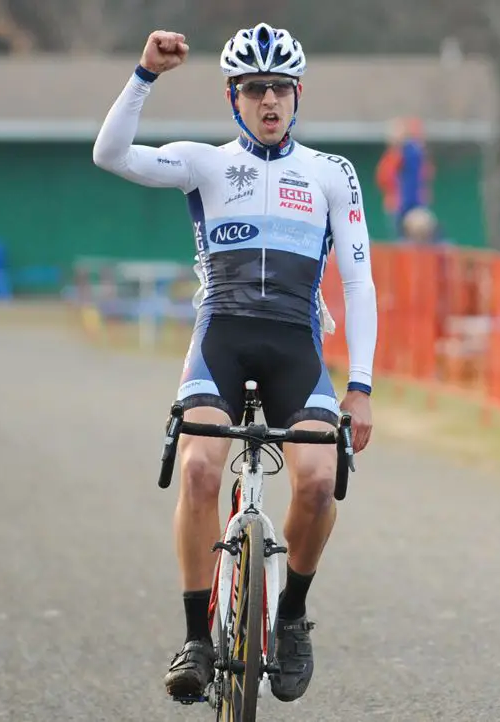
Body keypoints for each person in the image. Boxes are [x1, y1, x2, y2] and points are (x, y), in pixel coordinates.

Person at [92, 24, 378, 703]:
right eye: (255, 89)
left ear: (297, 94)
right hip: (221, 333)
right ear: (234, 98)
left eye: (280, 88)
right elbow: (110, 154)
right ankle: (196, 635)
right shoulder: (204, 162)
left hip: (293, 343)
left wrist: (361, 386)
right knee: (197, 467)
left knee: (316, 478)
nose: (269, 100)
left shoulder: (331, 173)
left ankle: (292, 618)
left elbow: (361, 284)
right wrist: (144, 74)